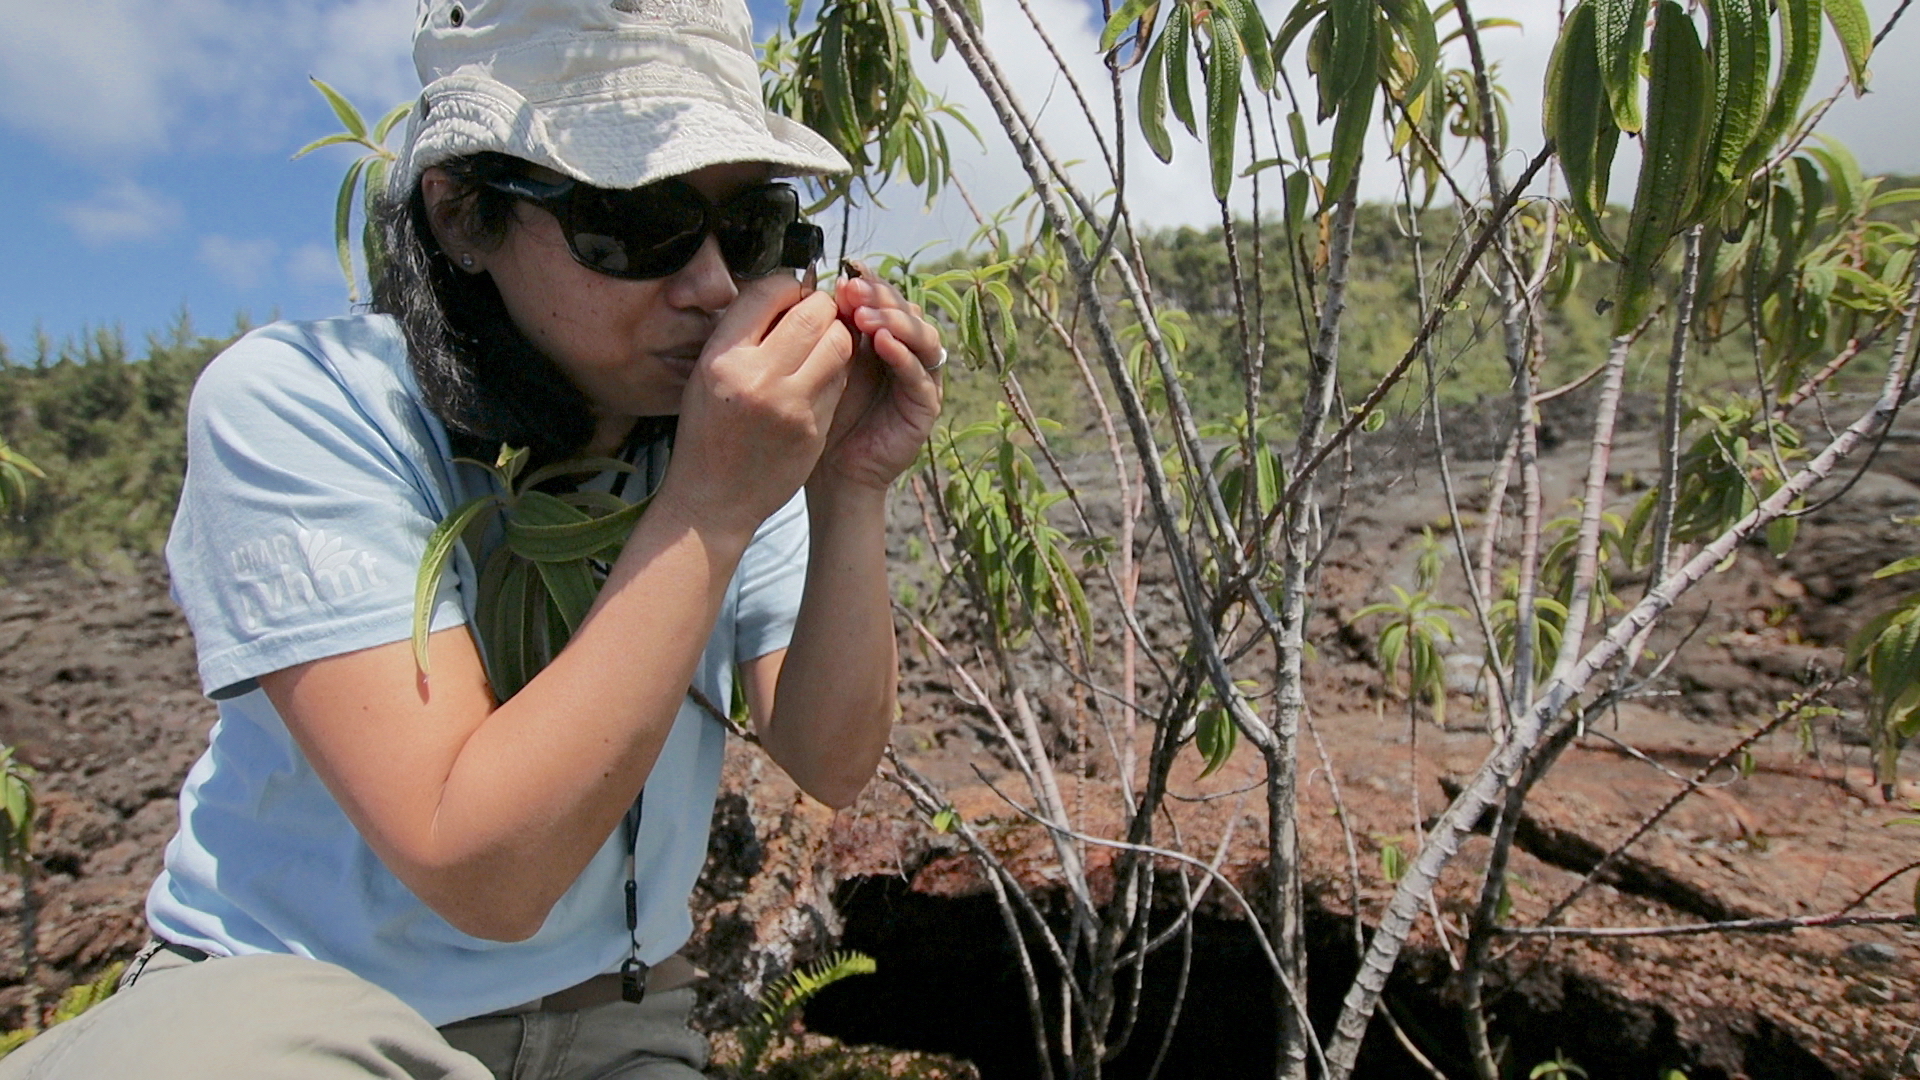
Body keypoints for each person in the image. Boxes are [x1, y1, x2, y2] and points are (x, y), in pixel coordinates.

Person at [0, 0, 941, 1076]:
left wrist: (847, 489)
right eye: (635, 224)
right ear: (460, 215)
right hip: (297, 1010)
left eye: (754, 227)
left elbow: (830, 756)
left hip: (620, 1030)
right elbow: (483, 869)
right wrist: (707, 508)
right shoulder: (308, 405)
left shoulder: (721, 433)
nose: (715, 285)